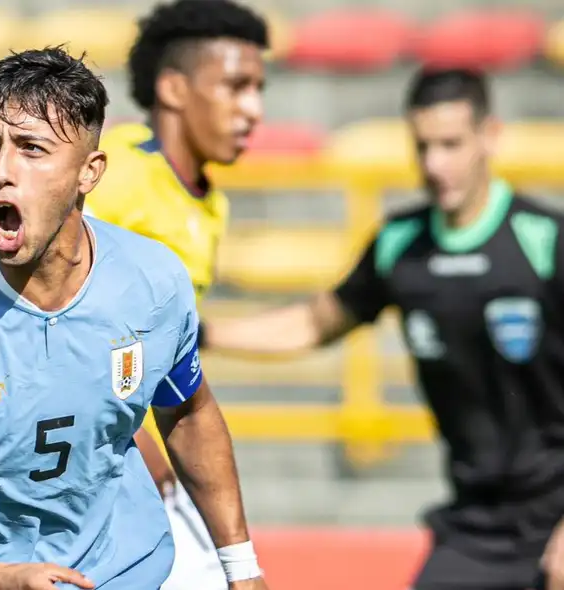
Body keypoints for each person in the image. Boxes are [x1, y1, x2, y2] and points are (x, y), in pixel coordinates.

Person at [0, 46, 269, 590]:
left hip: (119, 573)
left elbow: (189, 412)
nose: (1, 171)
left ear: (90, 172)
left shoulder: (153, 281)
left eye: (31, 148)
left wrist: (240, 566)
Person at [205, 67, 564, 590]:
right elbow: (313, 323)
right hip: (476, 524)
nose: (435, 165)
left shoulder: (543, 241)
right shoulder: (401, 246)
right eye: (422, 147)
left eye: (450, 144)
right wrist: (204, 335)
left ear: (490, 137)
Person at [84, 1, 267, 587]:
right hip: (99, 458)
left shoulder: (211, 202)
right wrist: (145, 451)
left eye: (258, 89)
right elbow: (67, 327)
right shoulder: (121, 178)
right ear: (174, 88)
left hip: (152, 459)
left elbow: (159, 349)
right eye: (236, 86)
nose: (253, 110)